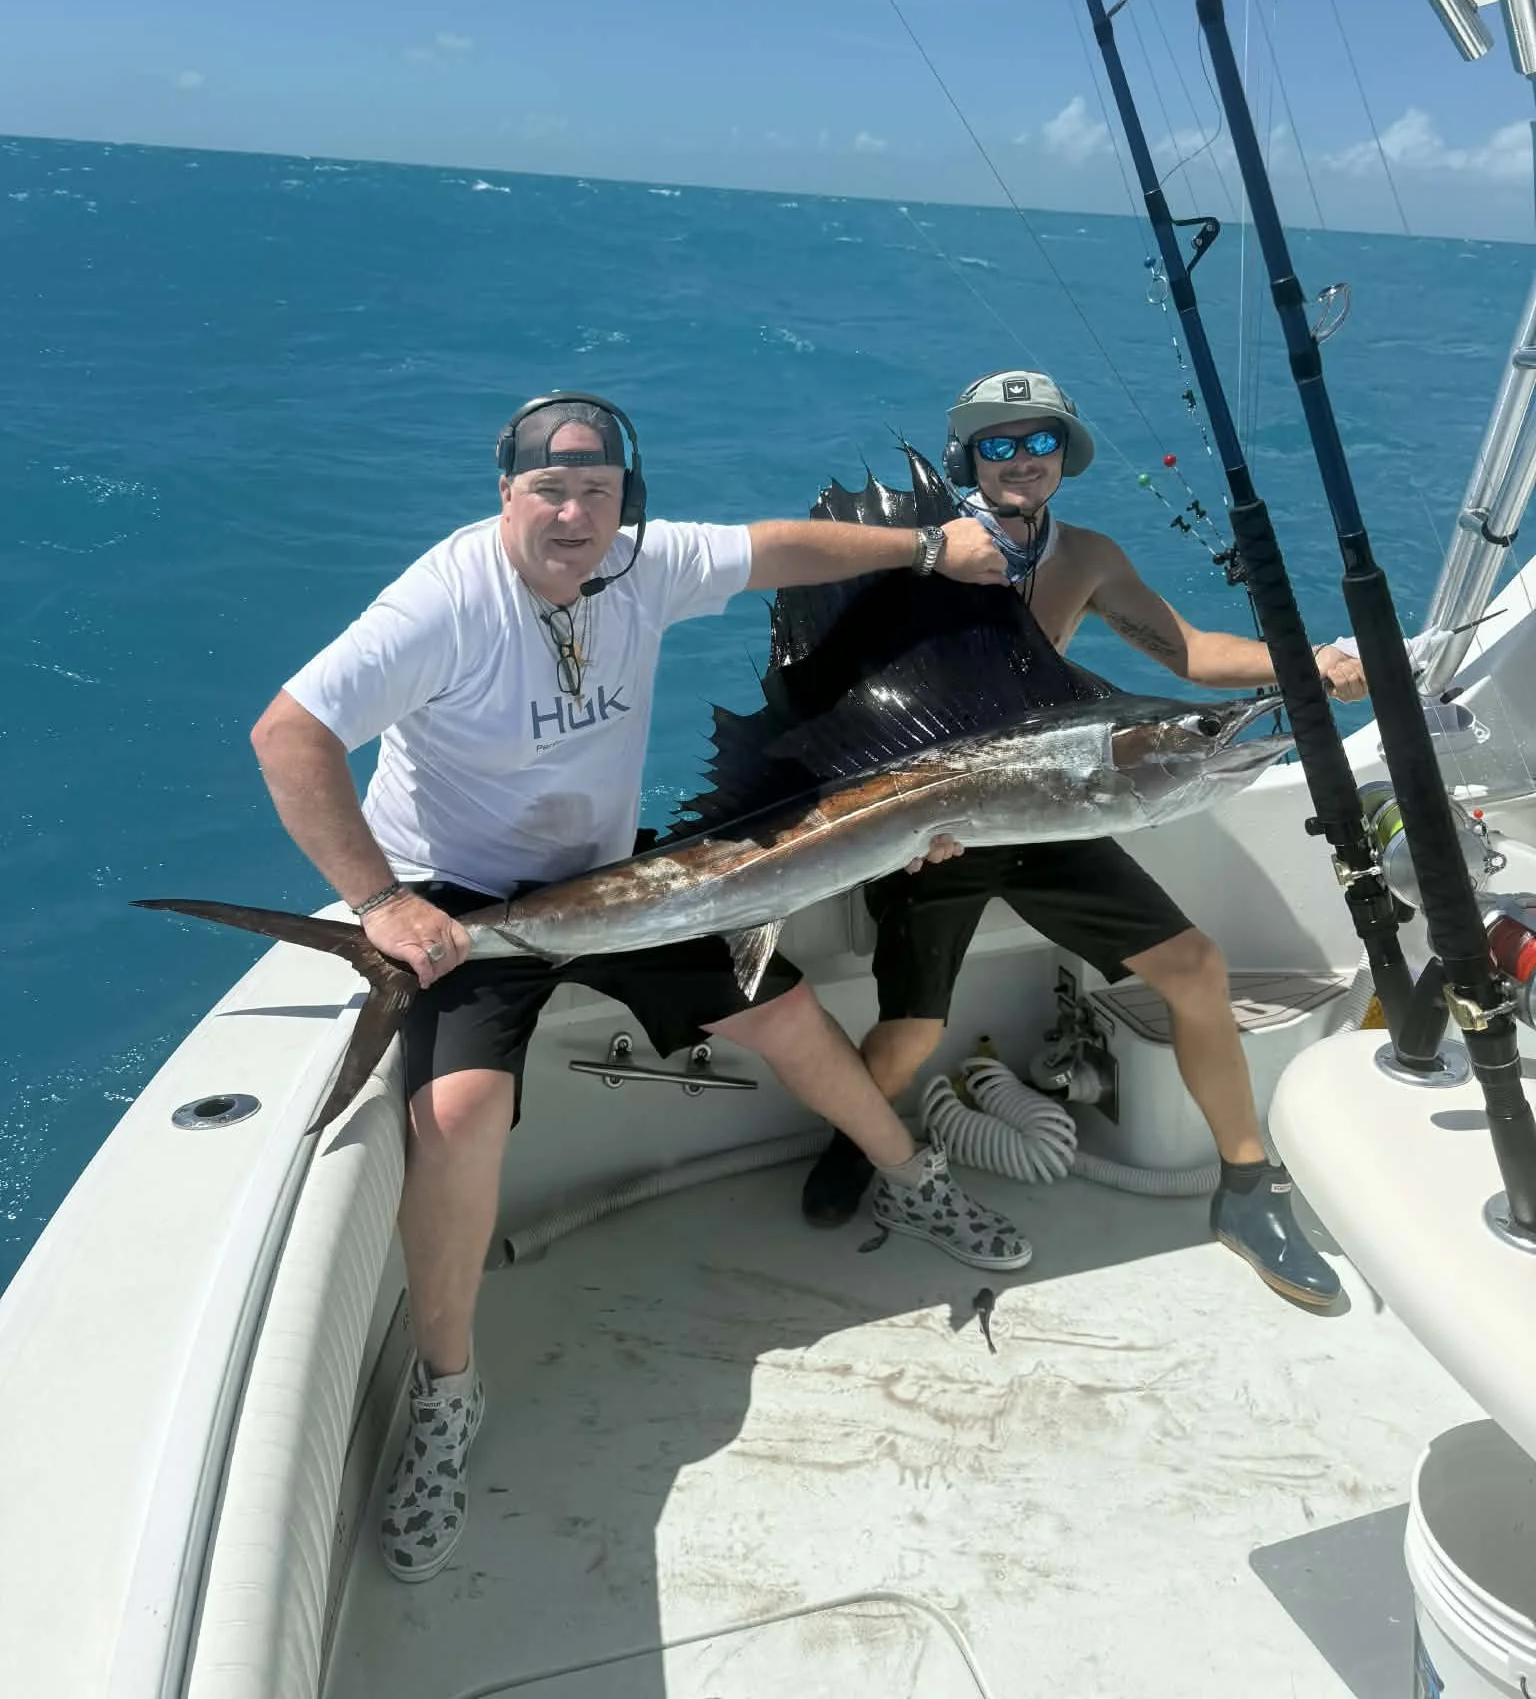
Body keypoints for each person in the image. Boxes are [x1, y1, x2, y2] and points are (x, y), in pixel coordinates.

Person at [250, 391, 1031, 1582]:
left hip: (616, 887)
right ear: (505, 490)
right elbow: (289, 733)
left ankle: (910, 1174)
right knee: (456, 1117)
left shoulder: (643, 563)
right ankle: (447, 1390)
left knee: (783, 1009)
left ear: (628, 499)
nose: (572, 513)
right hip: (466, 905)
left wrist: (930, 547)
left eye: (598, 492)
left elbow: (778, 548)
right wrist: (379, 902)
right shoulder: (444, 600)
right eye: (548, 490)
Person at [800, 369, 1368, 1310]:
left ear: (1065, 454)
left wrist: (1308, 663)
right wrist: (902, 820)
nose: (1022, 460)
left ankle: (1244, 1189)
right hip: (932, 827)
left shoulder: (1088, 557)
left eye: (1040, 442)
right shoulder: (921, 549)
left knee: (1195, 970)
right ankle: (857, 1137)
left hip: (1049, 814)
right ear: (967, 457)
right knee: (910, 1037)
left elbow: (1186, 654)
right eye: (999, 444)